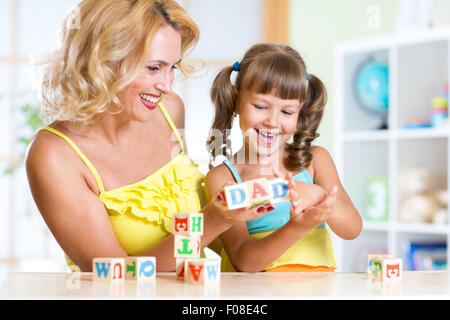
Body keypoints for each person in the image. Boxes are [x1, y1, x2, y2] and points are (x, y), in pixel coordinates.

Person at [25, 0, 271, 273]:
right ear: (102, 61)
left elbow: (214, 241)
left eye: (172, 68)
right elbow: (113, 273)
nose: (166, 86)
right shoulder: (55, 154)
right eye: (154, 68)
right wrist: (213, 219)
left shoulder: (170, 111)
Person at [205, 43, 362, 272]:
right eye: (260, 106)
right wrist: (297, 227)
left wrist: (318, 196)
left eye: (287, 111)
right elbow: (244, 261)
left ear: (300, 113)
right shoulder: (222, 177)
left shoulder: (315, 161)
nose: (272, 121)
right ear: (235, 100)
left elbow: (352, 228)